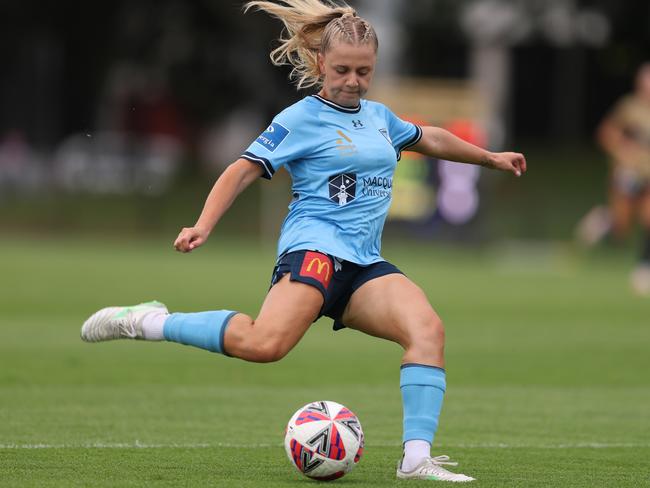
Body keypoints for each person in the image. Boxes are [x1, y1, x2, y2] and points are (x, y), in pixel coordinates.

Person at [81, 0, 526, 482]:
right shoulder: (301, 117)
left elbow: (430, 138)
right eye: (342, 70)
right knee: (264, 344)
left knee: (427, 332)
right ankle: (150, 321)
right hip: (315, 251)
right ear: (319, 64)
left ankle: (416, 460)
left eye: (363, 71)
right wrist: (203, 224)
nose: (353, 80)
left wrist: (489, 158)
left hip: (363, 264)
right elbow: (242, 168)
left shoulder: (379, 118)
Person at [577, 63, 650, 295]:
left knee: (649, 218)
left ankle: (643, 269)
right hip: (628, 173)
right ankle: (605, 220)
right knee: (622, 228)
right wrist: (623, 152)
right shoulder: (630, 107)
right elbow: (606, 134)